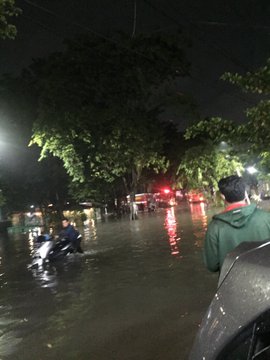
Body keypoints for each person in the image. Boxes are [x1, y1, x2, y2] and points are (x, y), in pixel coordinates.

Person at [204, 175, 270, 272]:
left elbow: (212, 265)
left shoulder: (214, 227)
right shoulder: (266, 218)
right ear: (245, 193)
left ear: (223, 196)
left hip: (232, 285)